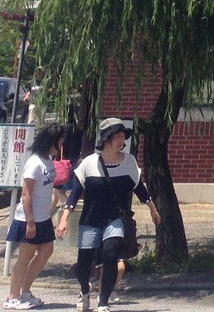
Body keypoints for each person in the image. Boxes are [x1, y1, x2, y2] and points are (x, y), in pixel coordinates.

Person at [55, 118, 160, 312]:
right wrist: (64, 219)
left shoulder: (129, 162)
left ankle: (103, 302)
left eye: (123, 136)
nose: (122, 140)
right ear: (106, 139)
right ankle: (85, 291)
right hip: (91, 218)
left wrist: (152, 208)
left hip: (115, 218)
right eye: (117, 136)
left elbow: (139, 188)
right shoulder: (89, 163)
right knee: (84, 261)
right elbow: (76, 192)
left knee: (111, 254)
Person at [3, 122, 65, 310]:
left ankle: (26, 291)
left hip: (43, 217)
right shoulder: (34, 162)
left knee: (47, 250)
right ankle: (13, 296)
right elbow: (26, 193)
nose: (61, 146)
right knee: (25, 256)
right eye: (59, 142)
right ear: (50, 141)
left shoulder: (47, 160)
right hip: (28, 219)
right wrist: (30, 221)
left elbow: (49, 187)